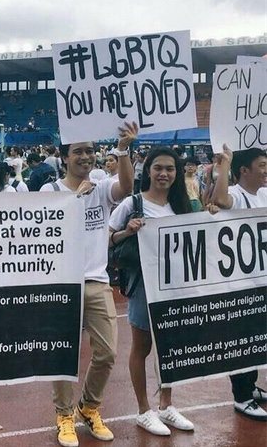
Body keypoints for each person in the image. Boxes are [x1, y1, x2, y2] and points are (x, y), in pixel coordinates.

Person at [40, 122, 136, 447]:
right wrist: (73, 203)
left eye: (90, 151)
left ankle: (89, 407)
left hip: (96, 280)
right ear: (64, 157)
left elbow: (125, 186)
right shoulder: (49, 192)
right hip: (62, 283)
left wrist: (123, 149)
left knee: (107, 352)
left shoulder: (101, 187)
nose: (85, 156)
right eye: (78, 151)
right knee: (64, 355)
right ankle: (64, 414)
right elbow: (43, 236)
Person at [109, 147, 197, 437]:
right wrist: (127, 232)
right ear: (148, 170)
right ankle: (143, 410)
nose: (164, 174)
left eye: (170, 169)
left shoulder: (183, 205)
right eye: (158, 168)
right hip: (144, 286)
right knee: (142, 347)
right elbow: (107, 239)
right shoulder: (132, 204)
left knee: (170, 347)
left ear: (177, 173)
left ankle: (166, 404)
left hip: (175, 285)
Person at [210, 145, 267, 421]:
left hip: (262, 280)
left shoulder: (263, 195)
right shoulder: (236, 194)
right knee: (242, 340)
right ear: (244, 171)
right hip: (239, 283)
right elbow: (219, 198)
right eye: (262, 166)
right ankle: (242, 396)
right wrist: (225, 164)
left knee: (257, 339)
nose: (266, 171)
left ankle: (251, 386)